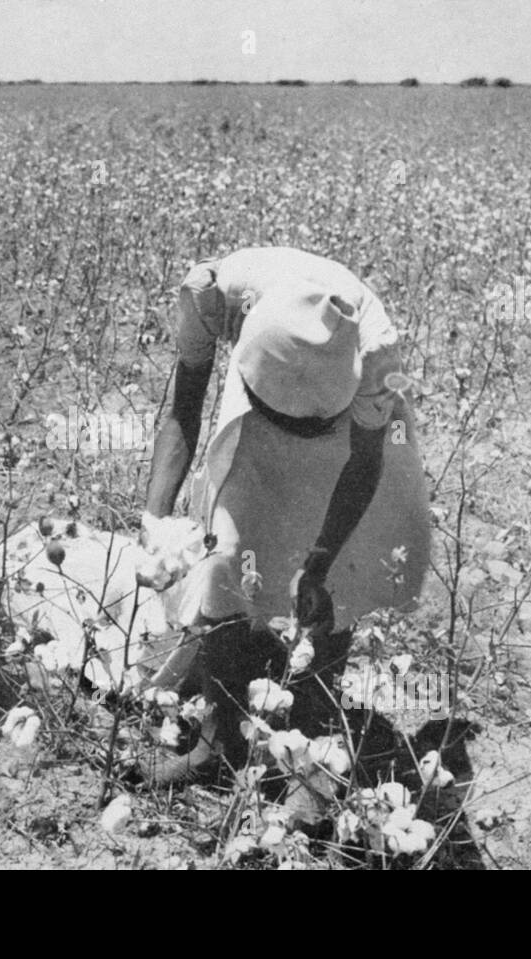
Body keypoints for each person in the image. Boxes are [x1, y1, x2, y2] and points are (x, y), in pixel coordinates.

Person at [142, 247, 429, 773]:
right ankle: (217, 738)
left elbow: (364, 467)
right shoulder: (210, 296)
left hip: (348, 426)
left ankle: (316, 726)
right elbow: (183, 409)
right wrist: (155, 522)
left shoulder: (377, 355)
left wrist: (318, 566)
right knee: (226, 551)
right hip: (260, 408)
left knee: (349, 565)